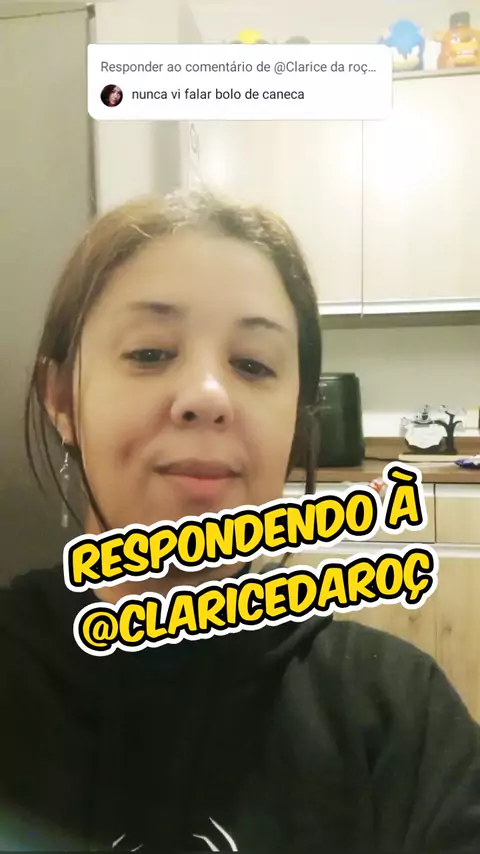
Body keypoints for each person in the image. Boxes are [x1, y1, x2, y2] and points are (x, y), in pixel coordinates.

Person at [1, 190, 479, 853]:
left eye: (253, 364)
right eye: (150, 353)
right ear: (61, 398)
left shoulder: (400, 716)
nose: (207, 395)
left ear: (297, 420)